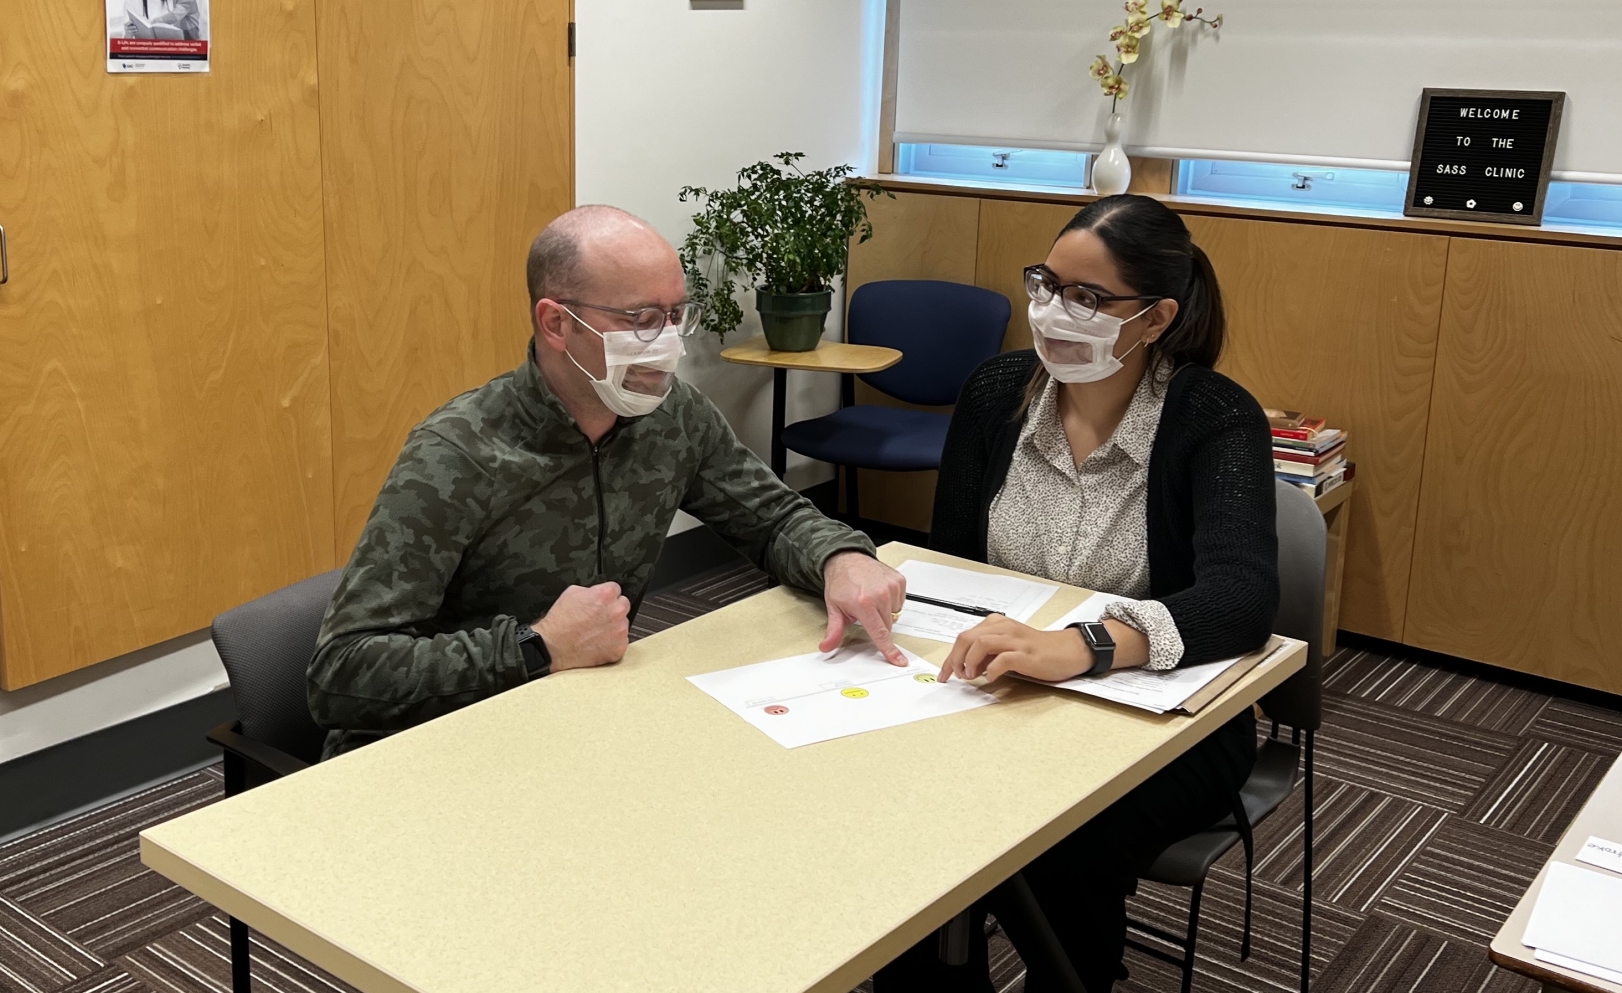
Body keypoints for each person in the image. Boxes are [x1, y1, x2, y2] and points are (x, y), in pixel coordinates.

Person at [308, 205, 909, 759]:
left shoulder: (673, 417)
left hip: (574, 722)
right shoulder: (459, 453)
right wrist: (537, 646)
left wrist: (841, 557)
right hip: (437, 746)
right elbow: (342, 672)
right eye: (641, 319)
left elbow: (774, 518)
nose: (668, 343)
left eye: (676, 315)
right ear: (556, 323)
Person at [876, 195, 1278, 993]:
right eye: (1047, 284)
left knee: (1059, 841)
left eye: (1090, 298)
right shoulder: (995, 392)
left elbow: (1241, 599)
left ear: (1157, 317)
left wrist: (1085, 646)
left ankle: (1077, 977)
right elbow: (955, 565)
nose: (1055, 311)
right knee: (898, 807)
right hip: (1010, 688)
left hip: (1170, 715)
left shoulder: (1212, 415)